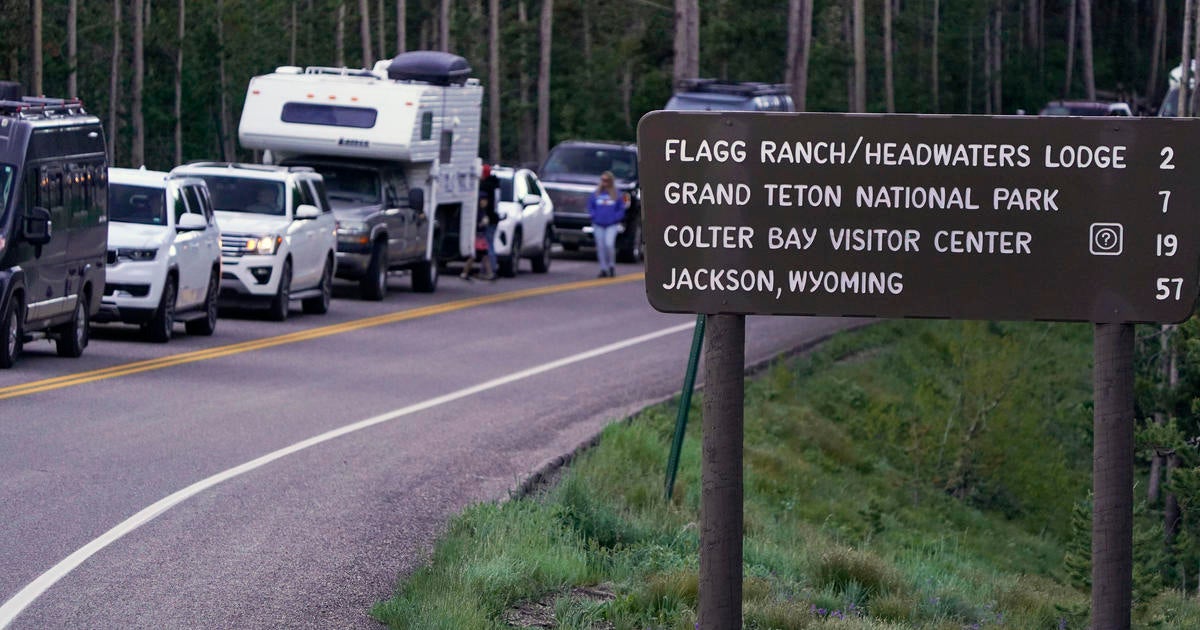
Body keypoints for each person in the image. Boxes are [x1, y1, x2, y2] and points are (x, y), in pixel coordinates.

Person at [462, 164, 501, 281]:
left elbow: (484, 205)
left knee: (487, 245)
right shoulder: (495, 185)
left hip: (488, 218)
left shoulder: (485, 188)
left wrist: (483, 217)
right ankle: (487, 270)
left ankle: (491, 269)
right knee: (487, 245)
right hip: (494, 218)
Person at [587, 171, 626, 278]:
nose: (604, 182)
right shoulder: (596, 193)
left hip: (611, 224)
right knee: (600, 246)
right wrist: (593, 215)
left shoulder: (617, 194)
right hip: (598, 224)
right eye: (603, 180)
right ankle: (603, 268)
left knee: (609, 244)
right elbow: (591, 206)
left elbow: (621, 209)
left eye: (606, 180)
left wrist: (615, 218)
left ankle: (611, 265)